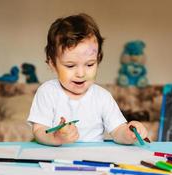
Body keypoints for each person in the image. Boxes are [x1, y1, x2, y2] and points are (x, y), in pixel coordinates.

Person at [27, 13, 148, 146]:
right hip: (55, 160)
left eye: (90, 64)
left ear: (98, 59)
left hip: (93, 161)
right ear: (52, 64)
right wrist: (56, 137)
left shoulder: (102, 97)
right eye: (70, 65)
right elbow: (39, 130)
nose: (81, 73)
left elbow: (118, 130)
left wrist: (129, 133)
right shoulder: (47, 92)